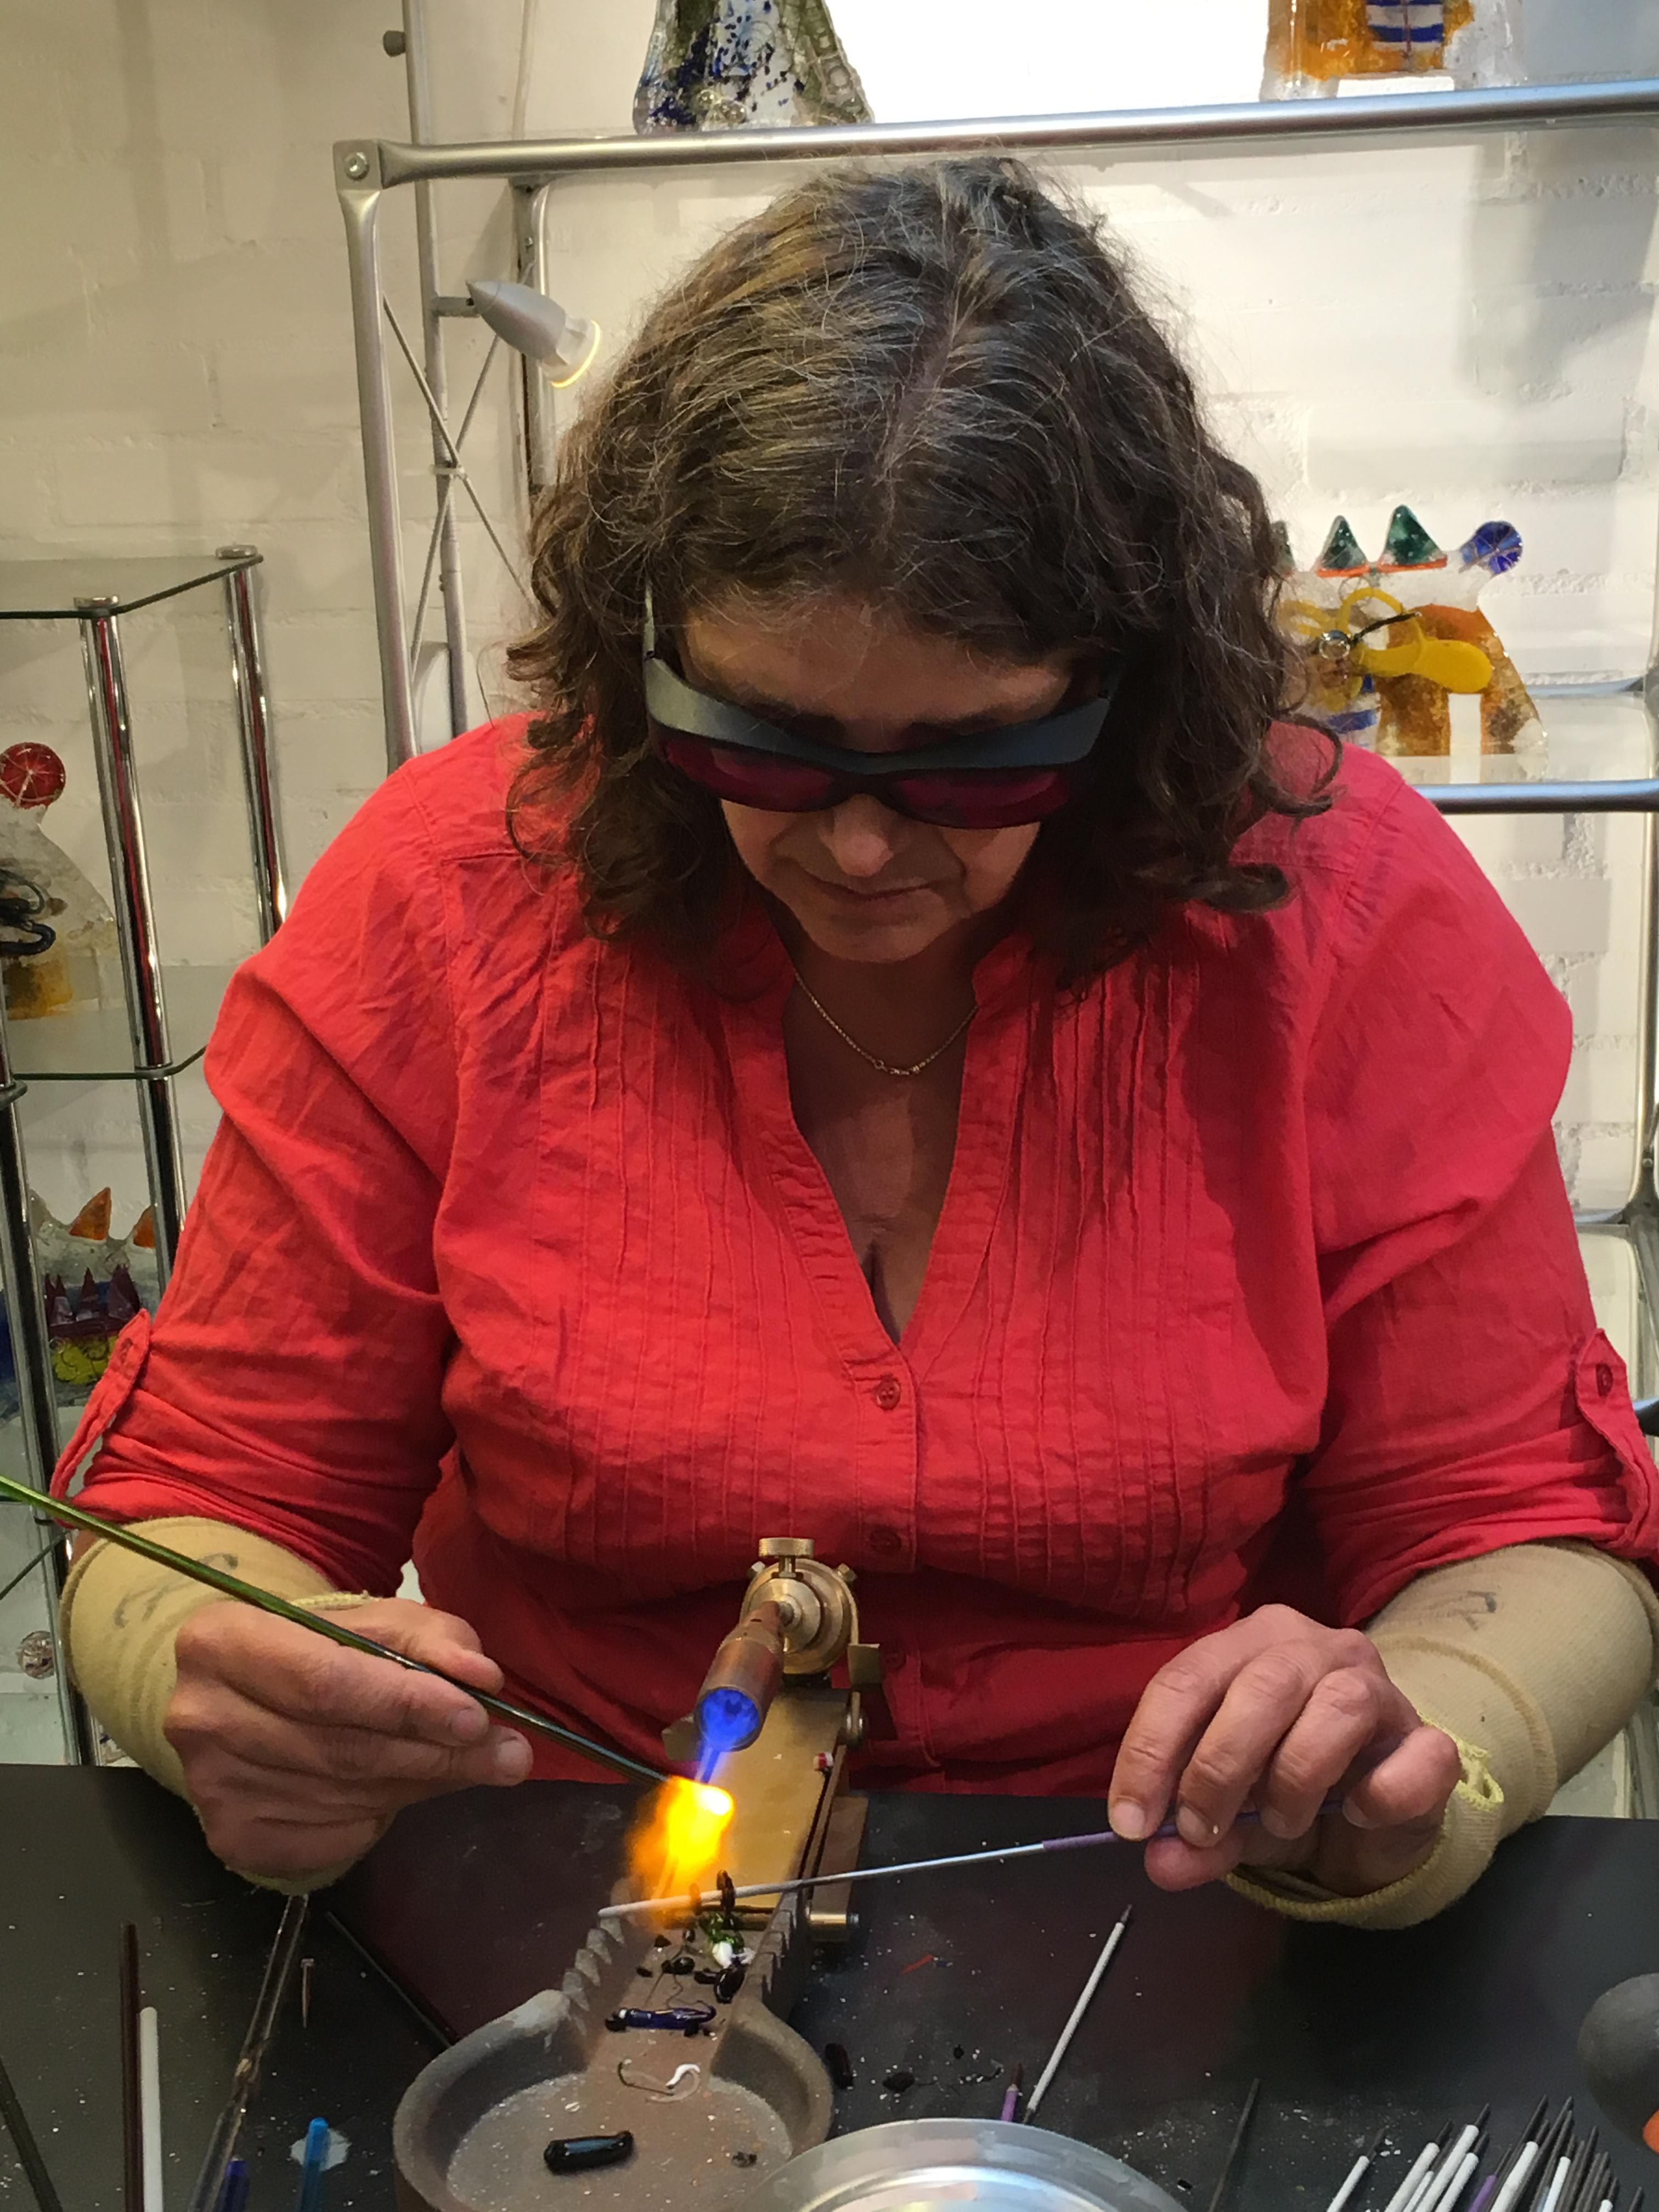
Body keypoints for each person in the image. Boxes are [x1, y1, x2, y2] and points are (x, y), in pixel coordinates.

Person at [57, 157, 1658, 1928]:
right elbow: (199, 1499)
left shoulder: (1343, 913)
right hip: (567, 1882)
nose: (865, 846)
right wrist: (231, 1680)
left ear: (1132, 694)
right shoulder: (447, 899)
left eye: (976, 761)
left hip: (1178, 1896)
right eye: (761, 740)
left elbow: (1527, 1523)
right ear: (637, 654)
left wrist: (1422, 1763)